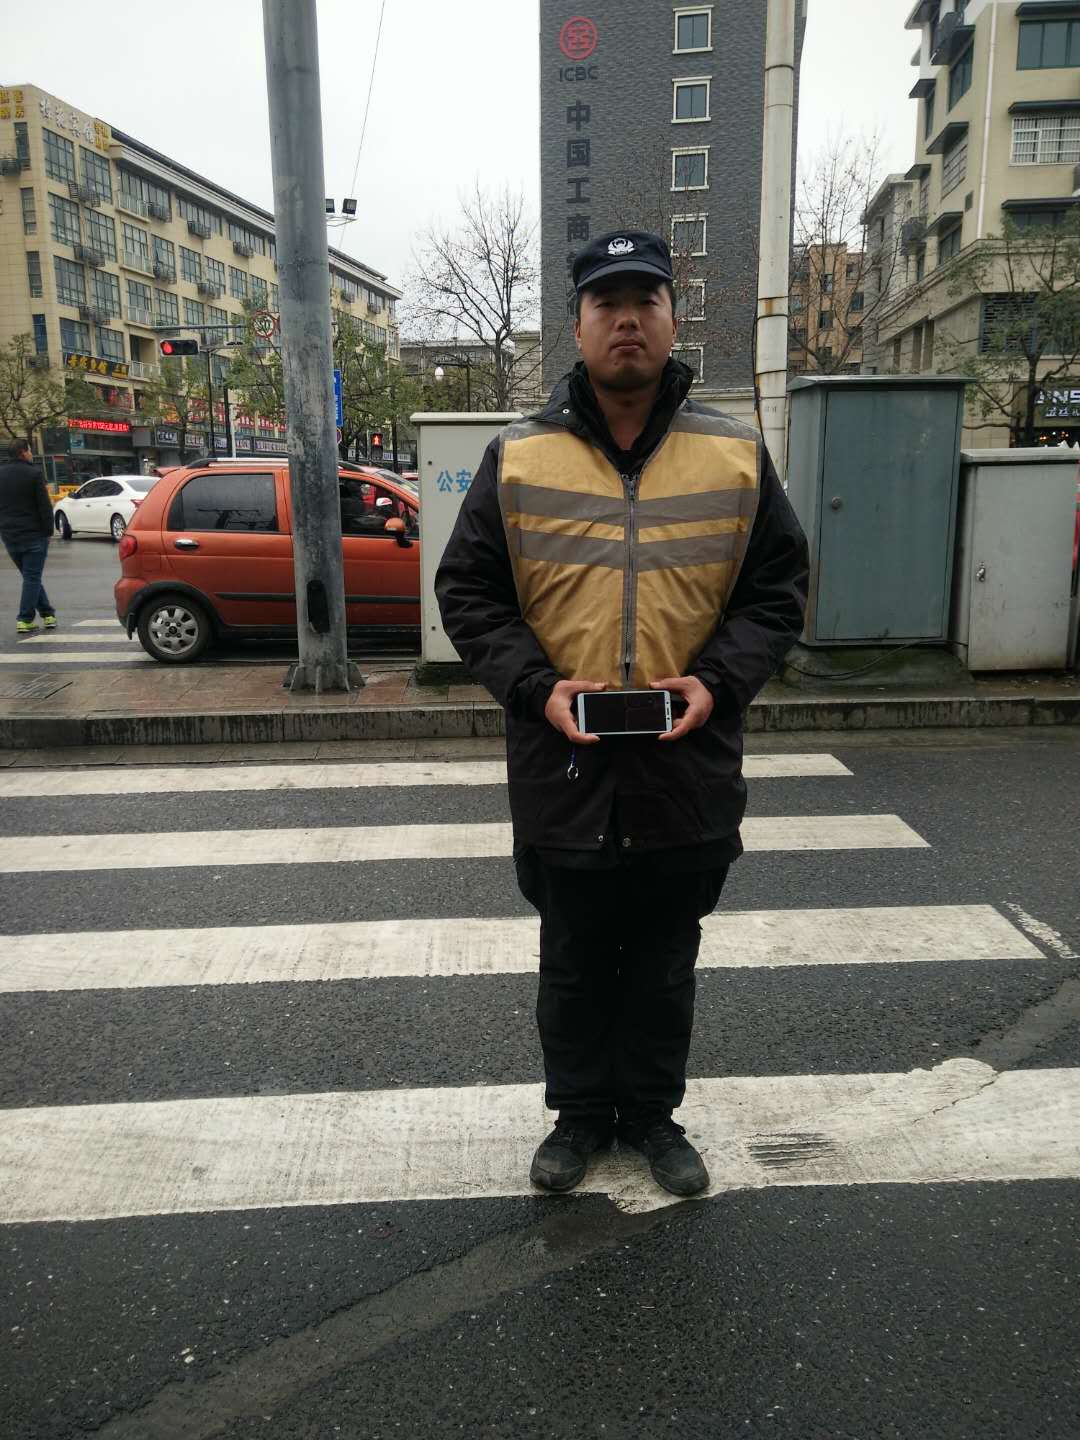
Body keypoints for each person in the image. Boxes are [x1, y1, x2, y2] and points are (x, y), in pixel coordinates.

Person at [436, 230, 809, 1198]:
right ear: (579, 326)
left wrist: (718, 681)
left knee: (664, 960)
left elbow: (777, 593)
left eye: (646, 300)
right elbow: (469, 591)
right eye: (608, 303)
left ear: (674, 320)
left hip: (687, 758)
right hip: (562, 759)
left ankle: (650, 1116)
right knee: (571, 959)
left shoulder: (733, 452)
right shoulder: (520, 454)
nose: (628, 320)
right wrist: (535, 687)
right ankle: (578, 1117)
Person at [0, 439, 57, 635]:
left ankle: (48, 614)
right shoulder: (34, 473)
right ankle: (24, 619)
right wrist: (49, 531)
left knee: (30, 576)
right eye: (30, 451)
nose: (31, 454)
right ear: (23, 452)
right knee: (32, 577)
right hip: (33, 534)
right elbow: (44, 506)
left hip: (9, 535)